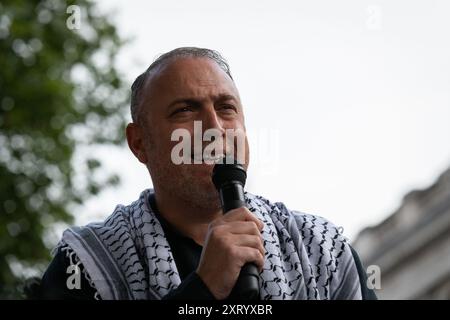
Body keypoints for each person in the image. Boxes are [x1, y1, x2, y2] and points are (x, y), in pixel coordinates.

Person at [39, 47, 377, 300]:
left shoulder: (322, 250)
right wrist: (201, 289)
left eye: (226, 108)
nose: (214, 128)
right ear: (140, 143)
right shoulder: (86, 265)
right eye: (185, 110)